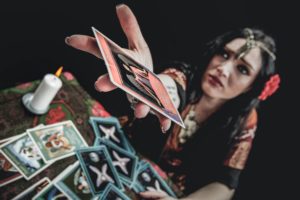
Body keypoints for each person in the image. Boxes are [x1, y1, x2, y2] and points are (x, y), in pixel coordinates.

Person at [65, 4, 280, 200]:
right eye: (224, 54)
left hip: (160, 190)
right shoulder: (185, 75)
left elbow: (225, 184)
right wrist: (146, 83)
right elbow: (170, 87)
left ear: (252, 86)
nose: (223, 69)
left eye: (242, 69)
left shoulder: (246, 119)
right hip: (116, 152)